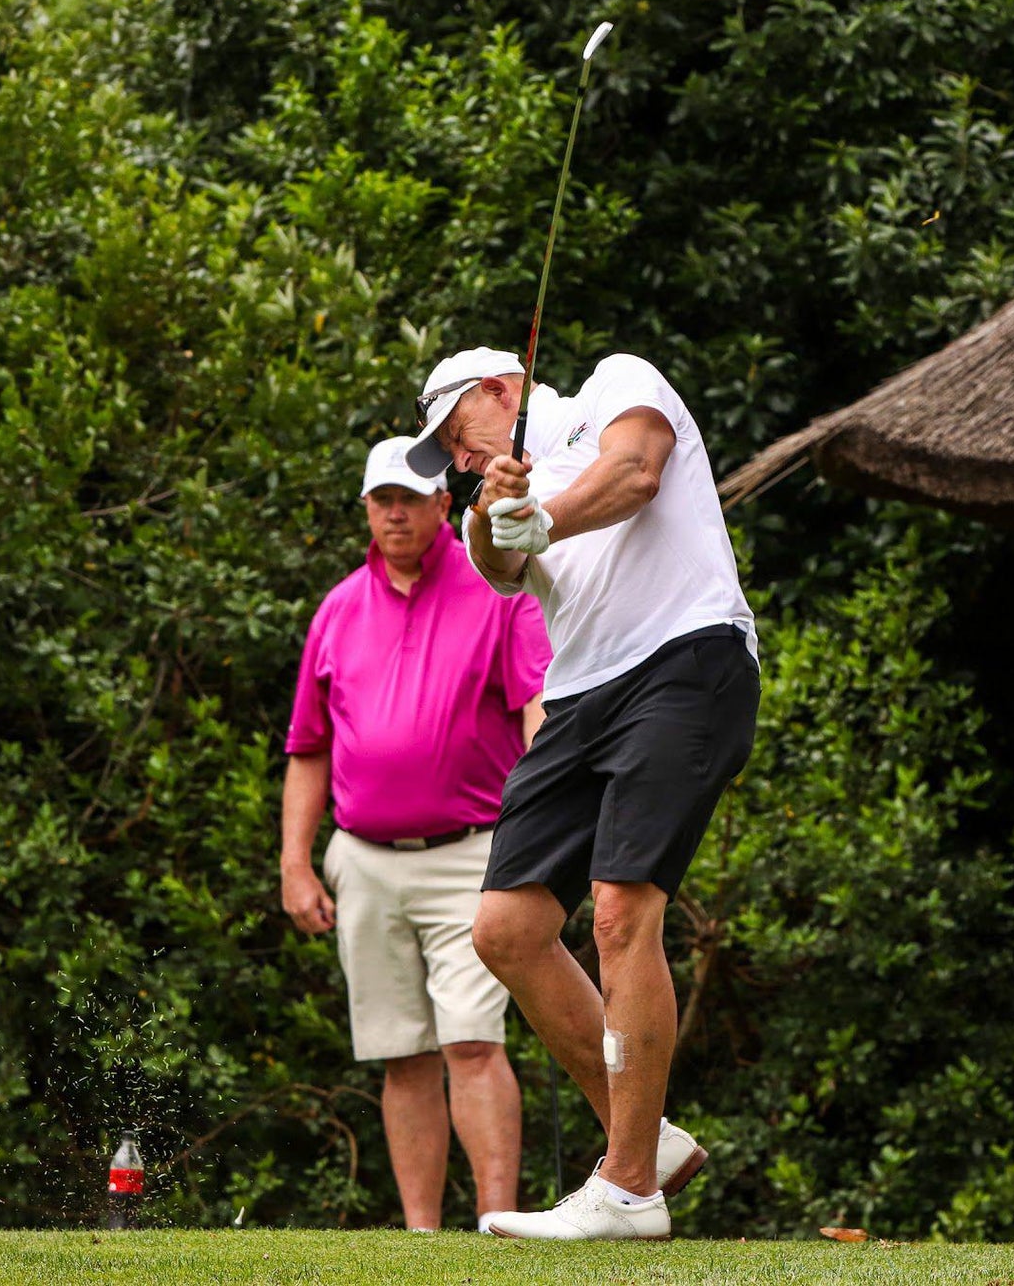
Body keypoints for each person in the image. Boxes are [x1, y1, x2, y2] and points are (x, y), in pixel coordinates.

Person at [402, 346, 759, 1240]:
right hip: (583, 694)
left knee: (618, 910)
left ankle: (629, 1187)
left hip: (686, 659)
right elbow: (494, 561)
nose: (457, 458)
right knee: (506, 928)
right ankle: (651, 1138)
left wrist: (546, 514)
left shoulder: (614, 386)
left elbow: (636, 470)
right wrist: (498, 511)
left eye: (458, 434)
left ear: (500, 391)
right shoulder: (491, 491)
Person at [279, 436, 551, 1232]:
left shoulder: (495, 588)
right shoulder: (337, 608)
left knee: (471, 1038)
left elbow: (536, 707)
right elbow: (308, 746)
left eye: (409, 497)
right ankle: (421, 1238)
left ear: (443, 504)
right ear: (366, 508)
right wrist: (297, 862)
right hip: (363, 859)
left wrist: (550, 824)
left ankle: (497, 1223)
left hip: (472, 851)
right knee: (401, 1053)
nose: (394, 511)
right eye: (380, 499)